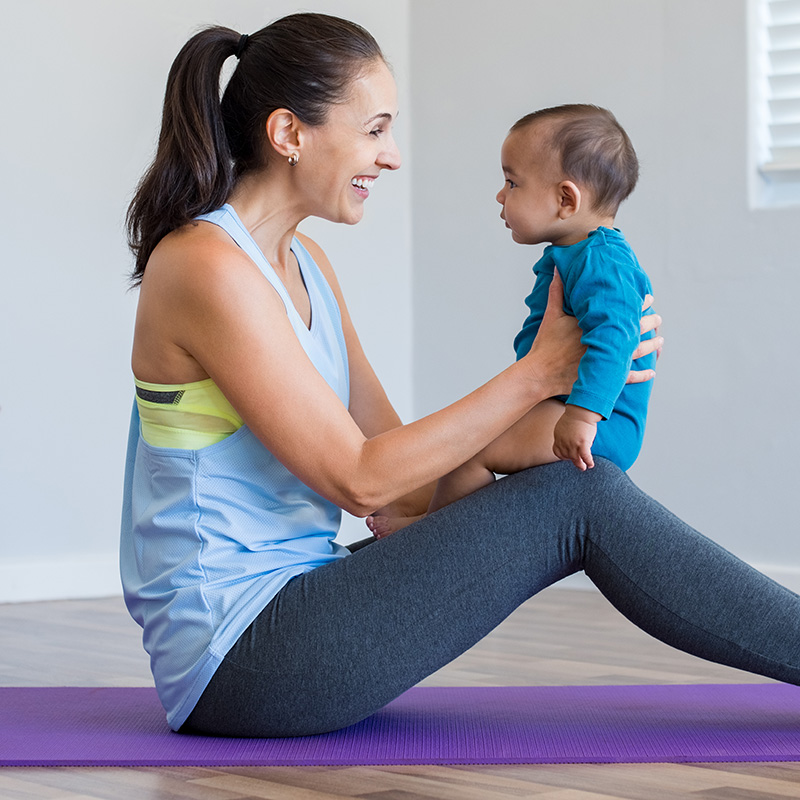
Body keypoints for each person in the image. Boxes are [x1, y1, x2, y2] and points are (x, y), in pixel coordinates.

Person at [121, 12, 800, 739]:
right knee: (583, 494)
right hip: (242, 659)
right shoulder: (206, 265)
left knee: (574, 481)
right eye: (376, 129)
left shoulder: (308, 268)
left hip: (300, 601)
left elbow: (405, 476)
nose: (393, 157)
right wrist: (540, 374)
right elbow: (360, 480)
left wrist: (573, 392)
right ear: (289, 134)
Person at [368, 104, 654, 537]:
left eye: (512, 182)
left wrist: (582, 416)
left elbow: (616, 340)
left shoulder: (601, 259)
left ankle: (429, 531)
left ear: (565, 199)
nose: (501, 196)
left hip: (600, 423)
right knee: (475, 439)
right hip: (569, 410)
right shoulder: (575, 254)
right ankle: (435, 520)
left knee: (472, 448)